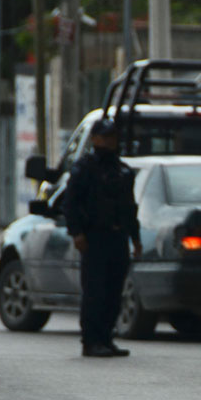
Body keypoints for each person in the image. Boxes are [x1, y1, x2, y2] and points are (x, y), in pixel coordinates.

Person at [63, 118, 142, 357]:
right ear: (95, 139)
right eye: (105, 137)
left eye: (113, 137)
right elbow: (70, 204)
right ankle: (91, 340)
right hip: (94, 238)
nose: (110, 141)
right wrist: (77, 233)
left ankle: (107, 338)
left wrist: (135, 238)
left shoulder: (122, 170)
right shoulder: (84, 168)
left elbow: (129, 208)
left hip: (117, 238)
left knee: (113, 292)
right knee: (95, 291)